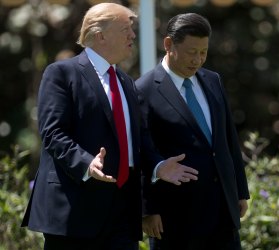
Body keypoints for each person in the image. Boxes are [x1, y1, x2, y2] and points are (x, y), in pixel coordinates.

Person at [21, 3, 198, 250]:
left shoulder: (126, 82)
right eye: (126, 29)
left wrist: (158, 166)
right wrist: (86, 163)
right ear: (100, 34)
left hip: (122, 215)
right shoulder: (61, 73)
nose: (133, 36)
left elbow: (138, 138)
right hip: (74, 213)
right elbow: (52, 133)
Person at [135, 13, 250, 250]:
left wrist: (239, 190)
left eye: (203, 52)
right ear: (168, 45)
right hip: (175, 217)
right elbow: (141, 151)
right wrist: (148, 209)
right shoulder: (143, 89)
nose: (197, 60)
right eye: (191, 52)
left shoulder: (213, 80)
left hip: (222, 210)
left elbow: (227, 138)